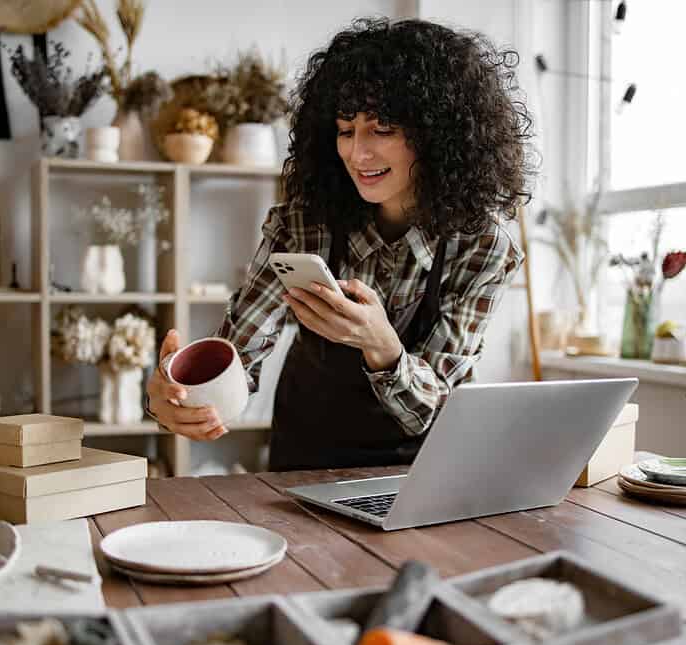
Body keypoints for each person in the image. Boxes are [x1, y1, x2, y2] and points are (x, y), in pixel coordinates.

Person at [146, 17, 534, 471]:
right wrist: (178, 396)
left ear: (438, 135)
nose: (357, 152)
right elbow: (242, 348)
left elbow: (432, 404)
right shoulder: (304, 222)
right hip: (304, 458)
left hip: (421, 468)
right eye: (346, 130)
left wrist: (382, 346)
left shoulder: (483, 247)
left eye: (382, 129)